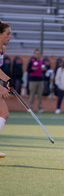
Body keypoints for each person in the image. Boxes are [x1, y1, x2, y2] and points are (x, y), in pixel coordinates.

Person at [0, 21, 14, 158]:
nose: (10, 36)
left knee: (4, 113)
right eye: (7, 34)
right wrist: (0, 88)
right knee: (4, 113)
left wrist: (8, 80)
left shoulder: (1, 49)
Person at [27, 48, 46, 113]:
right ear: (34, 54)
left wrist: (44, 70)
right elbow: (28, 70)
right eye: (36, 53)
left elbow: (44, 70)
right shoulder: (31, 61)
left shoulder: (42, 61)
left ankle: (40, 108)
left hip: (40, 80)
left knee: (40, 95)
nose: (38, 55)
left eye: (39, 54)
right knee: (32, 94)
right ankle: (30, 108)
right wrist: (32, 69)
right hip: (33, 80)